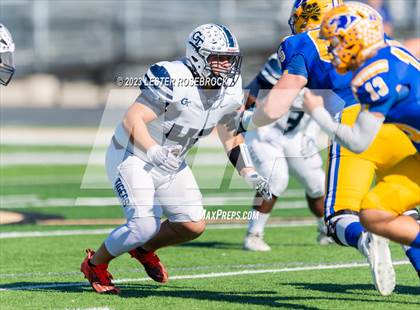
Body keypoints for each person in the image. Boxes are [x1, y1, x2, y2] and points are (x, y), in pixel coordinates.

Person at [225, 0, 417, 296]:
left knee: (341, 216)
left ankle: (363, 239)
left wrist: (245, 120)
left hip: (357, 121)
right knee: (396, 209)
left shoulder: (303, 43)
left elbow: (275, 107)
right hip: (399, 129)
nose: (335, 52)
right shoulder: (386, 44)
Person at [80, 23, 271, 294]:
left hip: (170, 159)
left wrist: (248, 171)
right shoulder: (173, 77)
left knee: (192, 225)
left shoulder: (229, 89)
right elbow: (131, 119)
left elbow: (229, 131)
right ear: (197, 56)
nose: (225, 66)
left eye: (228, 59)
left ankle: (143, 249)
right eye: (217, 58)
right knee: (143, 224)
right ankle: (95, 264)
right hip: (133, 154)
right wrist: (153, 150)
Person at [302, 0, 420, 278]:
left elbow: (357, 142)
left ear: (353, 37)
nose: (331, 50)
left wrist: (318, 113)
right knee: (373, 213)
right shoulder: (391, 52)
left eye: (335, 41)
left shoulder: (374, 75)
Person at [242, 53, 331, 251]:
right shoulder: (289, 58)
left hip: (297, 132)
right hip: (267, 130)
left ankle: (326, 231)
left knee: (317, 183)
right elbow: (254, 90)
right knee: (275, 178)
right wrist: (243, 117)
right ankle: (253, 234)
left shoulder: (335, 64)